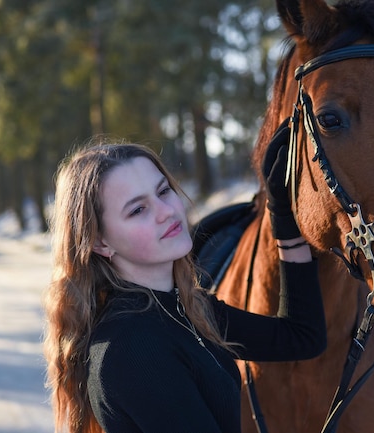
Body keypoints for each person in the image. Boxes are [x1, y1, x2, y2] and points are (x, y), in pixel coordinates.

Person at [42, 122, 327, 433]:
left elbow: (302, 338)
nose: (165, 211)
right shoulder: (130, 347)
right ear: (100, 242)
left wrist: (282, 216)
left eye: (164, 191)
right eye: (138, 210)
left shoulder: (186, 308)